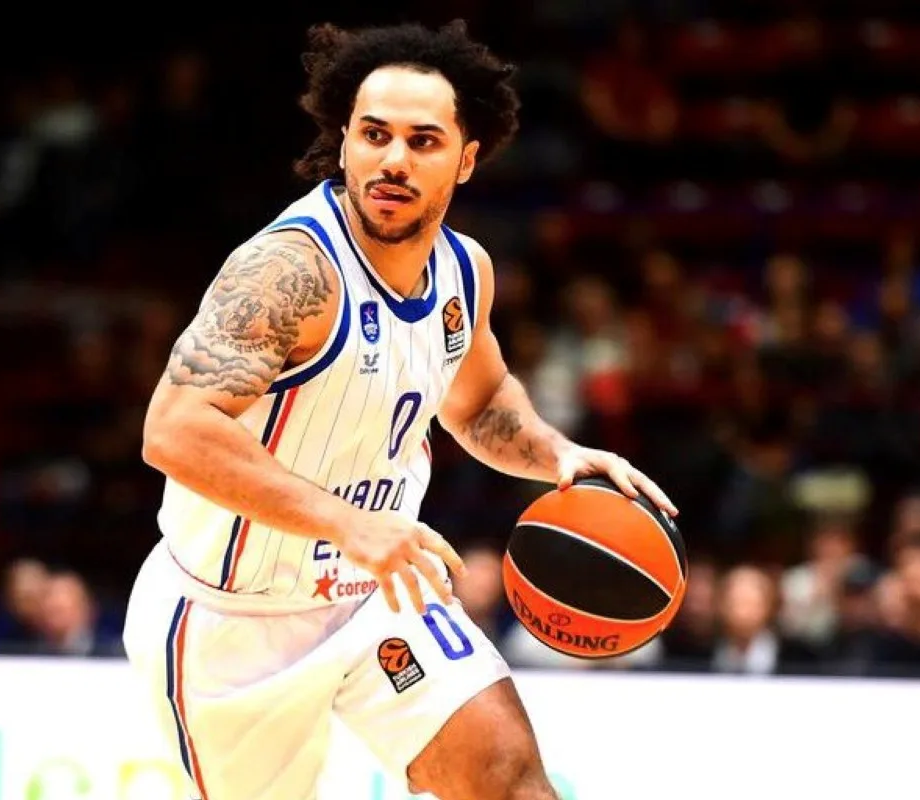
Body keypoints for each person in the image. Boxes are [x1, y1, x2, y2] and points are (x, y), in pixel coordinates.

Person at [123, 20, 678, 800]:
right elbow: (175, 431)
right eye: (374, 135)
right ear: (344, 142)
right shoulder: (290, 272)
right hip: (233, 625)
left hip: (378, 595)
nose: (393, 159)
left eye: (423, 141)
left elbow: (480, 404)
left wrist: (556, 454)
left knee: (513, 782)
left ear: (466, 159)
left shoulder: (464, 271)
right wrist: (352, 525)